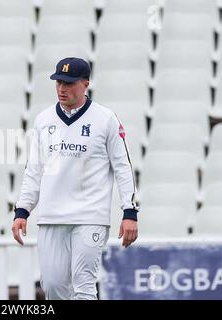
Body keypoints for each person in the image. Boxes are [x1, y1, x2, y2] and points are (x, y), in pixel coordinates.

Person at [11, 57, 139, 300]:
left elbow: (123, 166)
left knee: (84, 286)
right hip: (51, 216)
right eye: (59, 82)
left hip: (90, 215)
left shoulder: (106, 119)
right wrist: (22, 211)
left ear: (85, 84)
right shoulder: (43, 120)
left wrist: (129, 211)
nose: (62, 88)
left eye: (69, 83)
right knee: (53, 286)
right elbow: (33, 170)